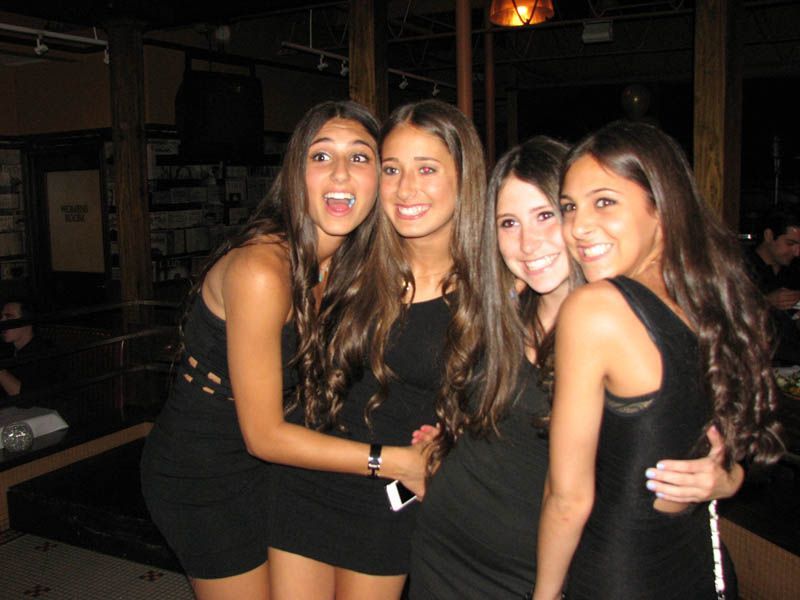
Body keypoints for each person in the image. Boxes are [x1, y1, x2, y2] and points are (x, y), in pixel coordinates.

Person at [407, 137, 745, 599]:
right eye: (509, 223)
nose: (528, 243)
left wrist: (726, 475)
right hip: (443, 554)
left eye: (546, 215)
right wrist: (444, 448)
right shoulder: (500, 315)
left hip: (547, 575)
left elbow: (692, 428)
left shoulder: (623, 321)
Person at [140, 100, 426, 600]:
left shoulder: (342, 267)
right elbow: (264, 435)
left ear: (379, 181)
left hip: (278, 474)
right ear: (296, 173)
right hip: (204, 475)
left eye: (360, 158)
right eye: (321, 157)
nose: (340, 173)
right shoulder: (261, 271)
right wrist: (393, 462)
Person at [534, 121, 784, 600]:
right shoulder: (711, 301)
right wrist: (730, 477)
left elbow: (568, 498)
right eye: (569, 207)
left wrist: (543, 595)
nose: (578, 227)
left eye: (604, 201)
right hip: (700, 565)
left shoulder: (597, 308)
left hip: (619, 573)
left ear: (661, 207)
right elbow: (748, 432)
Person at [267, 99, 488, 599]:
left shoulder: (491, 290)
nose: (406, 189)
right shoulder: (350, 258)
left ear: (465, 178)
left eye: (427, 169)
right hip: (307, 479)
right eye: (391, 169)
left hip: (393, 501)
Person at [0, 298, 55, 399]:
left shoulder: (45, 351)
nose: (2, 322)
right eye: (1, 317)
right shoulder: (7, 349)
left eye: (9, 317)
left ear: (27, 321)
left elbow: (25, 399)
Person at [745, 210, 800, 309]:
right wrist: (766, 301)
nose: (797, 253)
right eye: (790, 244)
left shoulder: (794, 270)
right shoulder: (740, 267)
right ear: (768, 235)